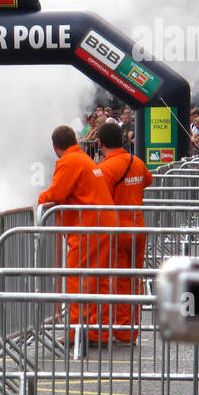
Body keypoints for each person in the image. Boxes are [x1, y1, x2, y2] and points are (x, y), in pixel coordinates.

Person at [37, 125, 115, 344]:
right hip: (100, 224)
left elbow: (55, 193)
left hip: (88, 227)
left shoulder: (69, 162)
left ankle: (76, 333)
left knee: (77, 278)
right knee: (96, 279)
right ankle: (94, 331)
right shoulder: (83, 159)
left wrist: (40, 200)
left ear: (55, 146)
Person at [96, 122, 153, 342]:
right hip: (138, 228)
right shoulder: (136, 161)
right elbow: (148, 180)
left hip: (117, 232)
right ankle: (130, 328)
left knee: (118, 281)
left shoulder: (105, 169)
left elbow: (100, 197)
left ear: (100, 143)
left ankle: (122, 331)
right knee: (134, 279)